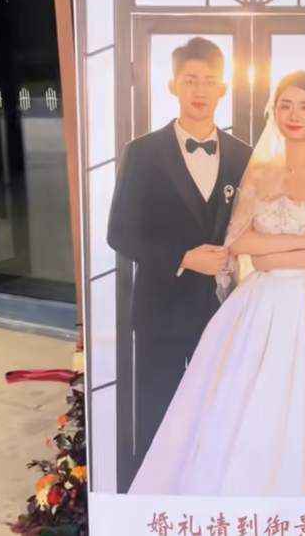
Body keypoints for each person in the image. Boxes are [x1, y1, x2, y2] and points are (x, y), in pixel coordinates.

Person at [127, 70, 305, 497]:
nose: (294, 115)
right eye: (285, 106)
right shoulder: (259, 171)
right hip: (258, 303)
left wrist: (272, 258)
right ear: (274, 112)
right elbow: (239, 241)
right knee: (243, 404)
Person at [107, 37, 252, 471]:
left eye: (209, 80)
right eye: (190, 79)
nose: (200, 90)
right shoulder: (142, 152)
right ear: (172, 85)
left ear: (223, 88)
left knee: (219, 418)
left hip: (222, 312)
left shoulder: (244, 156)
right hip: (160, 311)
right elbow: (119, 232)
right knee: (158, 418)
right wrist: (185, 257)